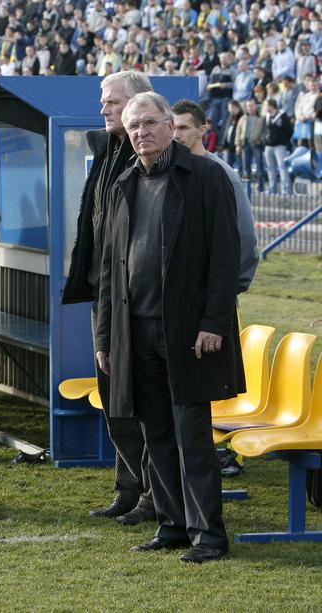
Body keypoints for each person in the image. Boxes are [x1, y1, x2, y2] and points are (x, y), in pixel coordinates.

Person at [96, 92, 245, 563]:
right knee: (156, 432)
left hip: (187, 332)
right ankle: (172, 525)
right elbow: (108, 270)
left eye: (149, 123)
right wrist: (105, 337)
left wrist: (214, 322)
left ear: (169, 124)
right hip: (134, 331)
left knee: (191, 435)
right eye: (133, 125)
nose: (141, 132)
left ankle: (209, 536)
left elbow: (226, 257)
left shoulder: (205, 177)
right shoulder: (124, 182)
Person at [62, 70, 155, 526]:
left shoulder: (146, 159)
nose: (103, 109)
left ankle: (153, 495)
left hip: (137, 301)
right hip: (105, 295)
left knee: (137, 399)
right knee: (112, 395)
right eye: (104, 101)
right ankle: (129, 487)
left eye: (112, 102)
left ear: (139, 103)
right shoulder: (106, 152)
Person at [172, 99, 259, 293]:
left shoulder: (224, 174)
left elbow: (244, 236)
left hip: (213, 295)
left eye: (183, 128)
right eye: (173, 128)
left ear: (201, 130)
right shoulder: (169, 171)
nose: (176, 135)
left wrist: (230, 287)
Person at [235, 98, 267, 192]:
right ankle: (246, 189)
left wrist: (260, 140)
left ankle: (260, 188)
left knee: (259, 168)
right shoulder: (243, 118)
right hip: (245, 144)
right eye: (248, 106)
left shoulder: (262, 118)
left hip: (256, 145)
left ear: (256, 106)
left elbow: (265, 132)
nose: (250, 108)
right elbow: (238, 131)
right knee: (246, 168)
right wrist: (238, 144)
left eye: (252, 105)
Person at [264, 98, 293, 195]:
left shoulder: (283, 116)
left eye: (267, 105)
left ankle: (286, 190)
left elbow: (289, 131)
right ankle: (272, 189)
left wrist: (283, 139)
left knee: (282, 167)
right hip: (268, 146)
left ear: (271, 106)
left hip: (280, 146)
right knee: (270, 168)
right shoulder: (267, 117)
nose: (265, 107)